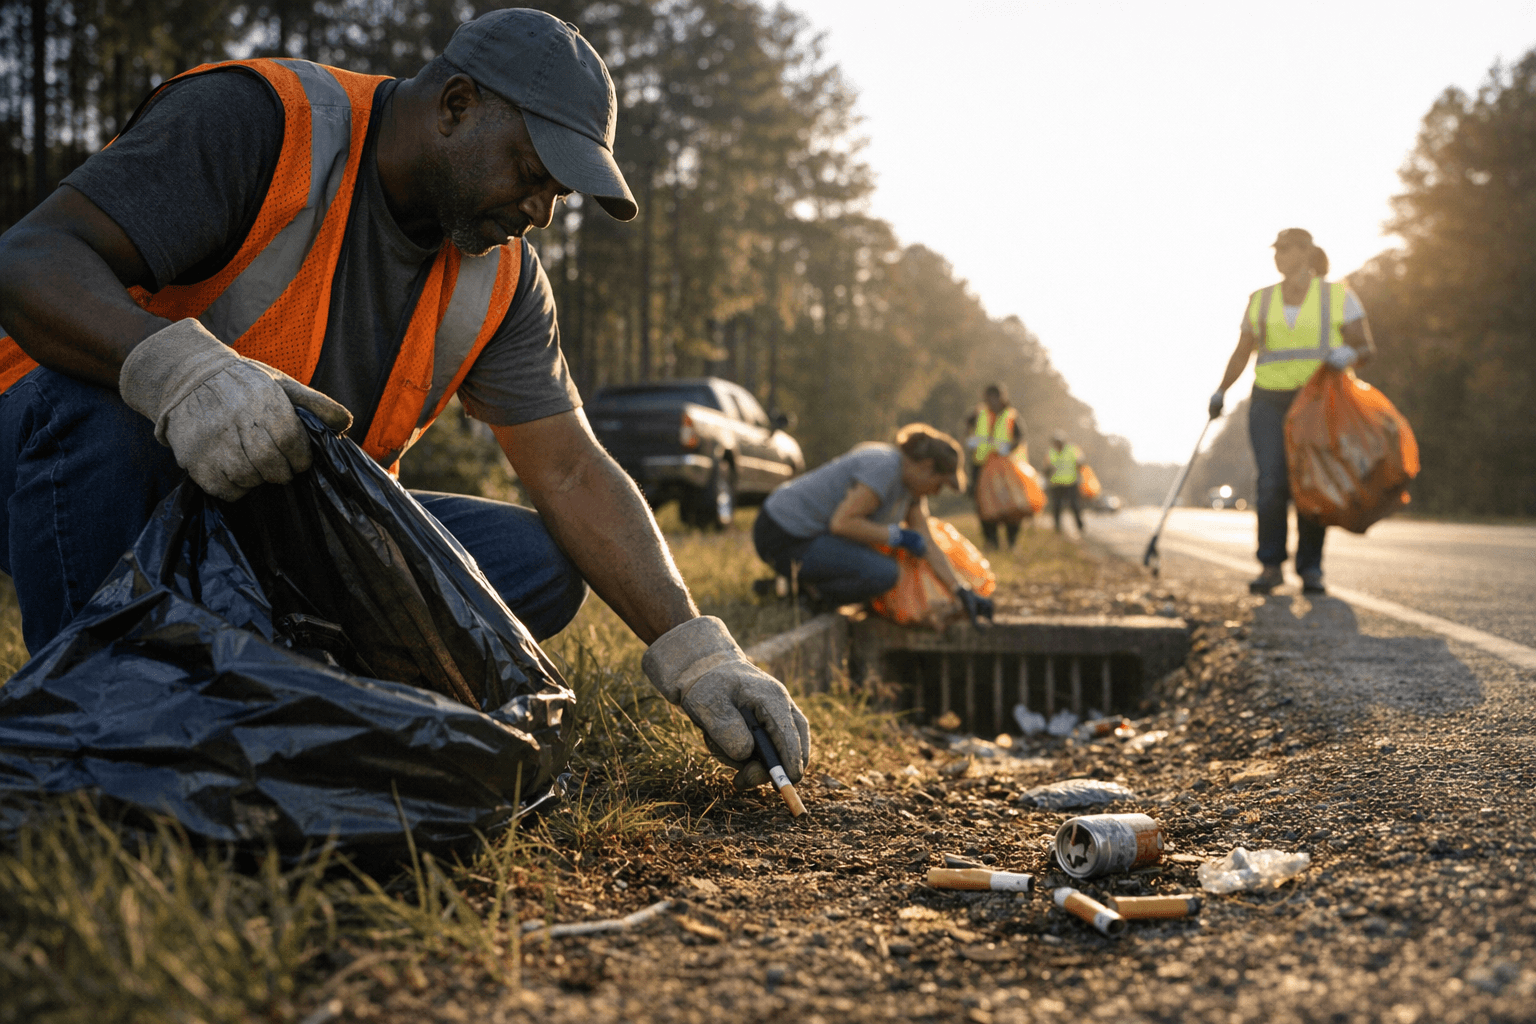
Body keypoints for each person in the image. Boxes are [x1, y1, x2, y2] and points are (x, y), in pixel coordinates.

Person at [0, 8, 808, 792]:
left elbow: (569, 472)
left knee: (536, 565)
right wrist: (178, 372)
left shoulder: (503, 275)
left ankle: (255, 697)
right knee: (102, 410)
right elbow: (31, 257)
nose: (541, 212)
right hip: (68, 463)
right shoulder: (264, 121)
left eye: (556, 193)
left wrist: (698, 648)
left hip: (260, 522)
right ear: (457, 106)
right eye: (534, 173)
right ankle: (101, 733)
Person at [1209, 228, 1376, 595]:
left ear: (1305, 252)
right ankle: (1270, 566)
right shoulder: (1260, 299)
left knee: (1310, 482)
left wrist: (1348, 354)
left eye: (1284, 249)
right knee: (1271, 482)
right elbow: (1242, 352)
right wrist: (1221, 390)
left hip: (1316, 402)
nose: (1277, 256)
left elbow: (1365, 347)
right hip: (1268, 400)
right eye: (1276, 250)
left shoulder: (1337, 296)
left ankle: (1311, 568)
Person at [752, 424, 995, 624]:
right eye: (939, 484)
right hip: (782, 534)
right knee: (884, 572)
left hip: (810, 537)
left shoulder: (911, 489)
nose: (936, 493)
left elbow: (928, 543)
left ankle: (787, 588)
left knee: (880, 564)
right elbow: (842, 523)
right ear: (926, 467)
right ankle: (805, 597)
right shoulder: (886, 467)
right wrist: (898, 537)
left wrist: (961, 591)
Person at [964, 383, 1026, 550]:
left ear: (1003, 397)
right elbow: (966, 428)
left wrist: (1007, 448)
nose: (992, 401)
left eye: (995, 397)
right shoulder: (978, 413)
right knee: (984, 504)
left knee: (1010, 504)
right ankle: (991, 541)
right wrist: (971, 440)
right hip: (982, 465)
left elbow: (1019, 438)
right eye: (988, 397)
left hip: (1005, 467)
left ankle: (1012, 540)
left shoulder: (1011, 415)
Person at [1045, 431, 1086, 535]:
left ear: (1063, 442)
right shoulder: (1051, 452)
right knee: (1056, 507)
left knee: (1074, 506)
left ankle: (1080, 526)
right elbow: (1046, 468)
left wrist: (1079, 467)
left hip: (1071, 483)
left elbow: (1081, 462)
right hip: (1056, 484)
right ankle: (1057, 528)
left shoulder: (1072, 450)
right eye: (1056, 442)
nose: (1057, 444)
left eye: (1059, 442)